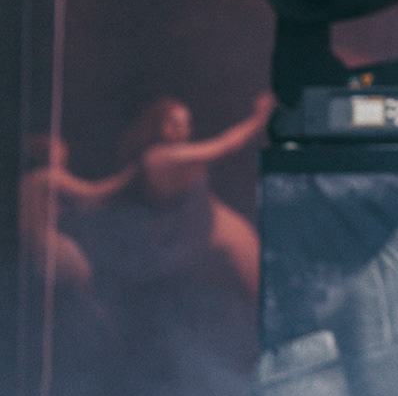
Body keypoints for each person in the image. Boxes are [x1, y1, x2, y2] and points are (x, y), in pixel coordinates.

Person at [117, 92, 274, 297]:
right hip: (185, 230)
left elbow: (112, 187)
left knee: (252, 260)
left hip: (205, 221)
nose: (182, 129)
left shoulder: (166, 154)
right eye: (174, 123)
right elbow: (226, 145)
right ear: (158, 125)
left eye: (185, 123)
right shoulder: (162, 156)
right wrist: (260, 118)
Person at [18, 135, 134, 292]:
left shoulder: (29, 179)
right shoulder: (47, 176)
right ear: (46, 153)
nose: (64, 153)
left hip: (33, 248)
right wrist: (129, 174)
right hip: (48, 244)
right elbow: (92, 192)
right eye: (58, 149)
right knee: (83, 283)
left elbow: (81, 205)